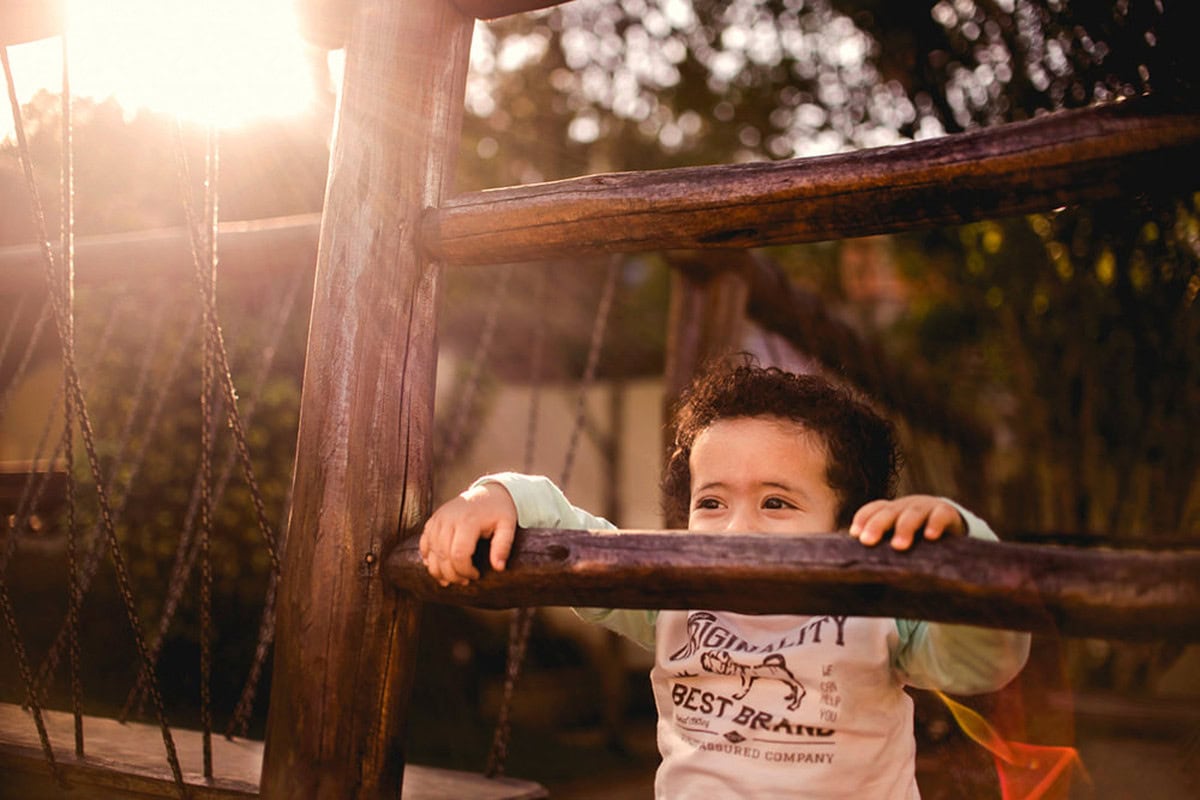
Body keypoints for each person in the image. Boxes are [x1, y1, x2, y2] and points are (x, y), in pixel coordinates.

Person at [421, 361, 1030, 799]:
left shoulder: (876, 609)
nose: (737, 527)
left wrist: (960, 548)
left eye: (776, 503)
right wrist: (494, 496)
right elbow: (572, 529)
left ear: (847, 525)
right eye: (712, 502)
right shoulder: (670, 598)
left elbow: (986, 660)